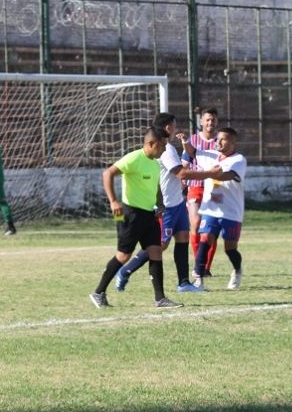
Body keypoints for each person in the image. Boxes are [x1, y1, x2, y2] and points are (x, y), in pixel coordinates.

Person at [114, 113, 215, 293]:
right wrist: (210, 173)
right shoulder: (166, 149)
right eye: (174, 126)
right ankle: (124, 271)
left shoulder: (169, 148)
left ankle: (184, 282)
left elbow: (181, 170)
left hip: (178, 202)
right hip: (166, 205)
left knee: (183, 238)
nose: (175, 129)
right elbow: (181, 173)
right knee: (160, 245)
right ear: (168, 128)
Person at [90, 127, 182, 309]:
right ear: (151, 144)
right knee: (124, 255)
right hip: (129, 214)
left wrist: (160, 204)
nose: (165, 149)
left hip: (149, 215)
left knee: (156, 251)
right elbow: (107, 173)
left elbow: (156, 187)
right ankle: (98, 292)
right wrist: (113, 202)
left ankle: (160, 299)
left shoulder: (155, 164)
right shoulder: (133, 158)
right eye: (162, 145)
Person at [182, 127, 247, 290]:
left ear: (232, 142)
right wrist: (185, 141)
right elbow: (193, 152)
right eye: (217, 138)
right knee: (204, 241)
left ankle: (237, 270)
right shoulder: (211, 156)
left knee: (230, 249)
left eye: (223, 139)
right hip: (210, 209)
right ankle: (199, 279)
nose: (218, 141)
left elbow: (226, 176)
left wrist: (200, 174)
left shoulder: (238, 160)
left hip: (231, 212)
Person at [183, 107, 220, 277]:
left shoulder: (221, 140)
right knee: (196, 224)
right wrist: (183, 177)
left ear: (216, 121)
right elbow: (186, 162)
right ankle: (198, 264)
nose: (210, 122)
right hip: (196, 186)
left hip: (215, 188)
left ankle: (206, 268)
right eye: (207, 119)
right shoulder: (193, 140)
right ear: (201, 121)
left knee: (211, 229)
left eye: (213, 119)